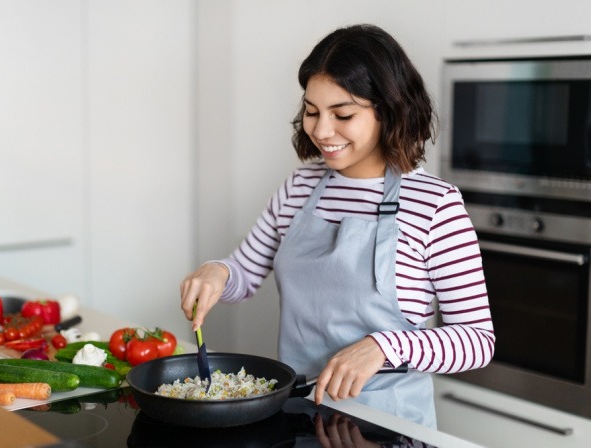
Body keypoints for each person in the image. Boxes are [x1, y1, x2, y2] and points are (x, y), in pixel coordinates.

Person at [180, 23, 494, 428]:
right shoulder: (300, 186)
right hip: (296, 412)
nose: (321, 131)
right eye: (311, 112)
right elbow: (244, 273)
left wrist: (385, 345)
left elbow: (476, 341)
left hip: (387, 424)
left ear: (389, 110)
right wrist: (217, 271)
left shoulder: (435, 205)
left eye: (342, 114)